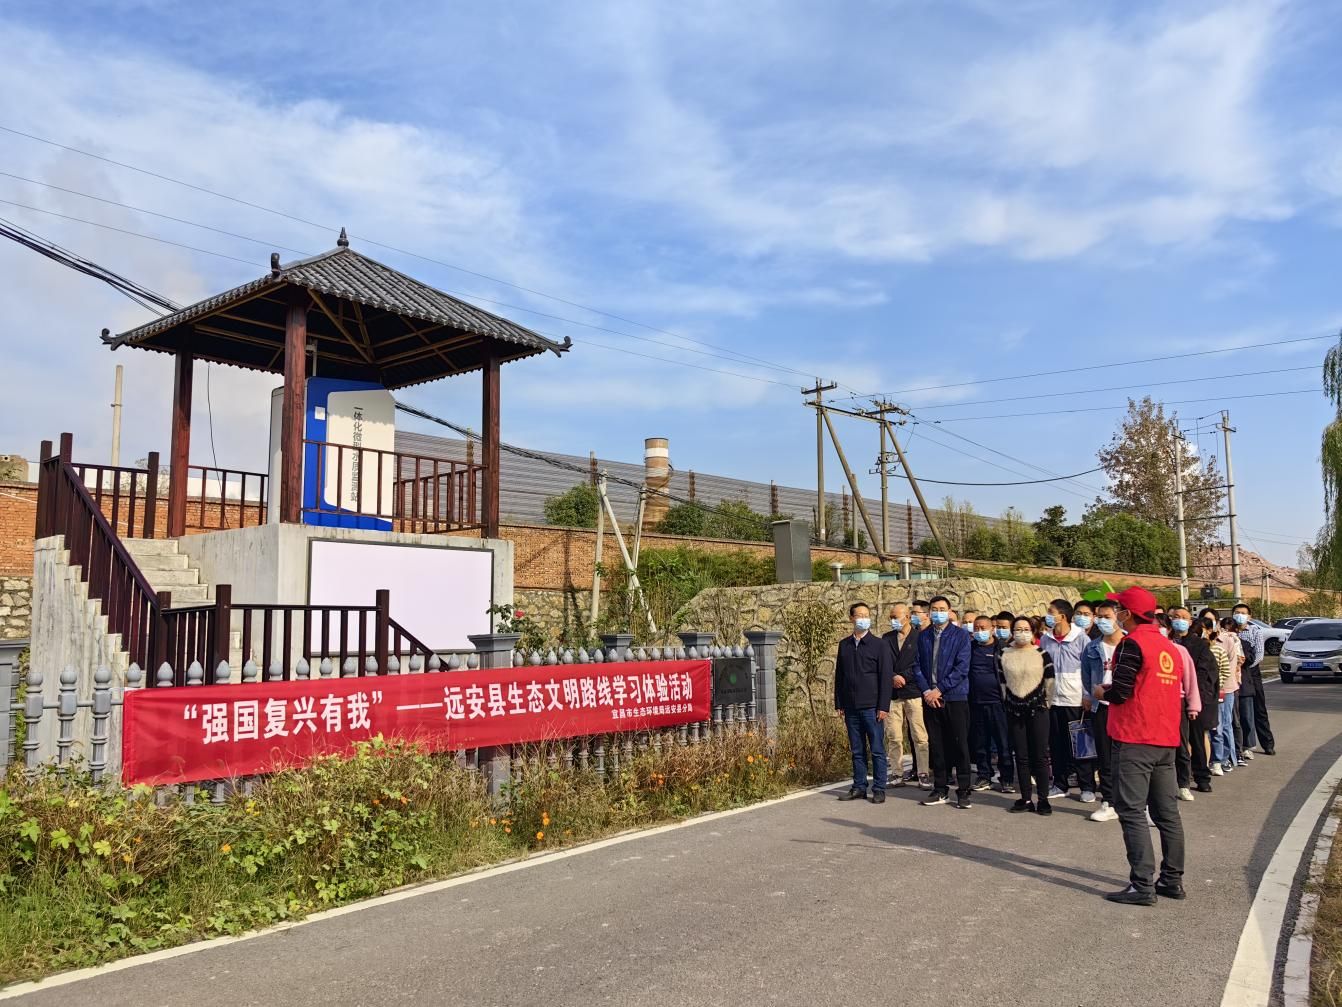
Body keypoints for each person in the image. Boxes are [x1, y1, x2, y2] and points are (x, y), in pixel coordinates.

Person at [1103, 587, 1189, 906]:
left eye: (1118, 610)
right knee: (1167, 814)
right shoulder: (1169, 647)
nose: (1116, 615)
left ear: (1128, 613)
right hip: (1165, 740)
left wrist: (1100, 692)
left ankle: (1142, 885)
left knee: (1131, 810)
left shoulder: (1131, 644)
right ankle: (1171, 879)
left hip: (1135, 737)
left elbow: (1121, 692)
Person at [914, 595, 973, 809]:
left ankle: (963, 790)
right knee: (937, 745)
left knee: (959, 745)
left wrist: (939, 690)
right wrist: (927, 691)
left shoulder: (961, 636)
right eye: (934, 609)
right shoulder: (923, 636)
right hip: (930, 699)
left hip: (954, 697)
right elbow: (916, 666)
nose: (938, 613)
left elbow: (962, 668)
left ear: (949, 612)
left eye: (942, 609)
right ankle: (940, 788)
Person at [834, 602, 894, 803]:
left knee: (877, 750)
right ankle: (859, 786)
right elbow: (840, 676)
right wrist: (839, 702)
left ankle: (879, 788)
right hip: (851, 707)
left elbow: (885, 677)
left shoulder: (879, 645)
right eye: (859, 615)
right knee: (857, 750)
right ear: (851, 618)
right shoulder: (845, 645)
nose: (863, 618)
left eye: (866, 615)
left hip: (872, 707)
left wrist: (883, 706)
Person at [1000, 615, 1056, 815]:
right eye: (1018, 629)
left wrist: (1046, 703)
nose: (1021, 633)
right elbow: (1002, 682)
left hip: (1038, 709)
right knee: (1021, 756)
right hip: (1014, 710)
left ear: (1033, 632)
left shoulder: (1042, 654)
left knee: (1040, 756)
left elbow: (1050, 681)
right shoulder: (1004, 654)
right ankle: (1025, 798)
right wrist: (1008, 702)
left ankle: (1043, 799)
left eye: (1026, 630)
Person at [1039, 599, 1094, 802]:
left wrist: (1087, 695)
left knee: (1081, 745)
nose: (1048, 615)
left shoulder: (1081, 639)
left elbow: (1089, 670)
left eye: (1050, 611)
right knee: (1056, 744)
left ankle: (1087, 786)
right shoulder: (1046, 639)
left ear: (1062, 616)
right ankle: (1060, 784)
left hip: (1075, 699)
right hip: (1053, 700)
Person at [1081, 600, 1124, 822]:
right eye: (1099, 617)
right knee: (1105, 757)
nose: (1102, 621)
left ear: (1120, 617)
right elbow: (1086, 675)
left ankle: (1139, 803)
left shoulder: (1130, 644)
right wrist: (1089, 696)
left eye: (1107, 617)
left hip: (1125, 707)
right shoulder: (1092, 647)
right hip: (1102, 707)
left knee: (1129, 757)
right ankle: (1109, 801)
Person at [1170, 608, 1217, 801]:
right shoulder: (1166, 642)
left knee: (1196, 739)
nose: (1179, 621)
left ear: (1190, 622)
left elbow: (1204, 673)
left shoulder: (1199, 645)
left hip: (1195, 697)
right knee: (1178, 742)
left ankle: (1202, 777)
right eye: (1175, 617)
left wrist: (1195, 698)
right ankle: (1180, 778)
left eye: (1183, 618)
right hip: (1172, 698)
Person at [883, 602, 930, 789]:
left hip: (913, 691)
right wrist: (893, 676)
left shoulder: (919, 637)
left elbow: (921, 663)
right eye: (891, 617)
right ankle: (896, 772)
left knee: (919, 735)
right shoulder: (887, 638)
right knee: (894, 736)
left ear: (908, 617)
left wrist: (904, 676)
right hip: (893, 692)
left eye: (896, 617)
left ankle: (923, 772)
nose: (893, 620)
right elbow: (883, 663)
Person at [968, 615, 1012, 792]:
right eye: (976, 629)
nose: (979, 632)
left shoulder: (1003, 648)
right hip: (976, 702)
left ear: (992, 629)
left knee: (1003, 743)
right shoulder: (970, 648)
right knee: (980, 743)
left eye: (983, 628)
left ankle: (1007, 778)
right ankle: (984, 775)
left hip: (998, 703)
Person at [1234, 603, 1276, 756]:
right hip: (1232, 674)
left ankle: (1267, 744)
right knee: (1239, 712)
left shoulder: (1255, 631)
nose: (1240, 615)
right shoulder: (1229, 631)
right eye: (1237, 612)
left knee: (1259, 709)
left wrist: (1244, 666)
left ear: (1249, 616)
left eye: (1243, 613)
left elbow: (1259, 654)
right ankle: (1240, 745)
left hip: (1251, 673)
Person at [1211, 617, 1243, 776]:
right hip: (1212, 688)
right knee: (1217, 726)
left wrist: (1221, 683)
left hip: (1225, 687)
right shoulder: (1200, 642)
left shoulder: (1227, 640)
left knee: (1223, 724)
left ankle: (1224, 759)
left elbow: (1230, 664)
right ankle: (1220, 758)